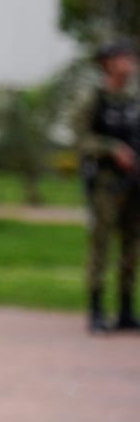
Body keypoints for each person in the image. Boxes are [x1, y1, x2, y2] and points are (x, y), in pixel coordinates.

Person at [74, 40, 140, 334]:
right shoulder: (94, 98)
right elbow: (81, 139)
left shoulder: (135, 98)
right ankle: (96, 310)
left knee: (132, 245)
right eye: (123, 57)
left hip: (135, 182)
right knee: (101, 244)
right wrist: (111, 149)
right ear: (107, 63)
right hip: (106, 183)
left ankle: (126, 310)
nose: (130, 61)